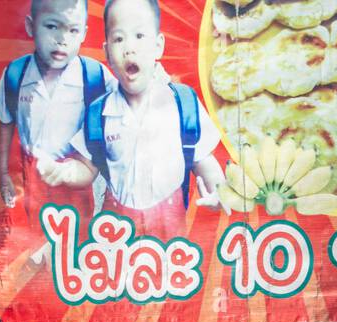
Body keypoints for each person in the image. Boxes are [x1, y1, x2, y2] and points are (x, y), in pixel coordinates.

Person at [42, 0, 224, 237]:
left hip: (170, 228)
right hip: (117, 231)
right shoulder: (100, 114)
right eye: (119, 39)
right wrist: (65, 171)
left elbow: (203, 160)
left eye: (139, 35)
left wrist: (219, 193)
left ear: (158, 46)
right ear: (107, 52)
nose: (129, 48)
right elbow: (88, 167)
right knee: (117, 275)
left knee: (166, 273)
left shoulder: (182, 104)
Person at [0, 0, 115, 220]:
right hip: (33, 179)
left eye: (73, 30)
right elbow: (6, 121)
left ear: (84, 34)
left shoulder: (95, 76)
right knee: (34, 243)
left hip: (81, 178)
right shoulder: (16, 74)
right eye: (52, 26)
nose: (62, 39)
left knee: (77, 245)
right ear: (31, 26)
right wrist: (3, 174)